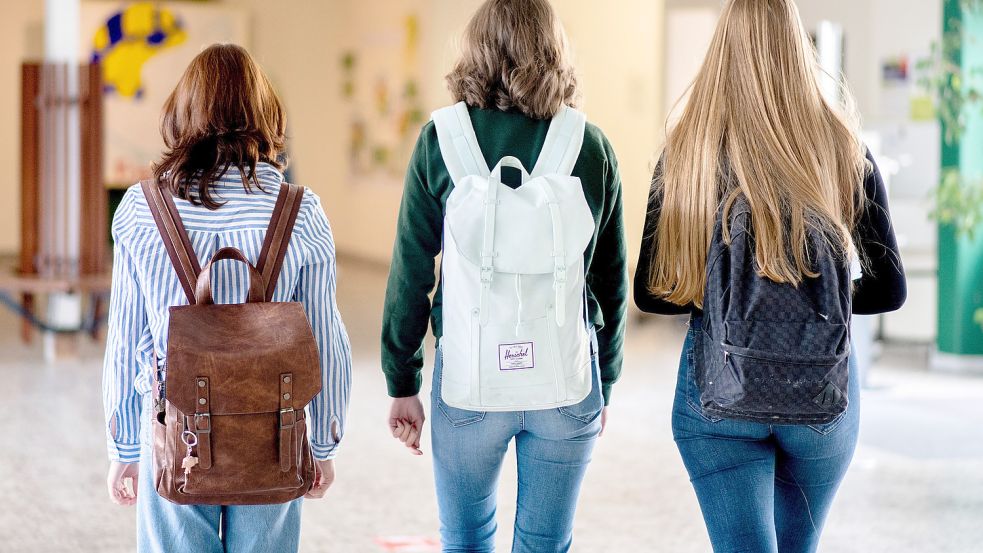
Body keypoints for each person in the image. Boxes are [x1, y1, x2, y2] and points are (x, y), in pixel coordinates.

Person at [634, 1, 906, 552]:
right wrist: (806, 299)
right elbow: (888, 290)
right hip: (822, 395)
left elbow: (652, 294)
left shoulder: (686, 154)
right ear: (798, 51)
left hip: (718, 389)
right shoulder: (843, 150)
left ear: (721, 52)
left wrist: (731, 296)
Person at [381, 1, 628, 551]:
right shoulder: (591, 146)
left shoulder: (439, 139)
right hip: (566, 382)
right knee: (546, 542)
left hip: (470, 380)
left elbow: (411, 271)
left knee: (466, 540)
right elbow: (609, 280)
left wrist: (403, 380)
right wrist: (605, 380)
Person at [102, 44, 352, 553]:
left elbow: (128, 339)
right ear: (265, 117)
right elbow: (326, 341)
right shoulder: (300, 212)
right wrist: (322, 443)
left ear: (181, 113)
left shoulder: (141, 209)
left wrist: (124, 447)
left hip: (176, 433)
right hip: (274, 434)